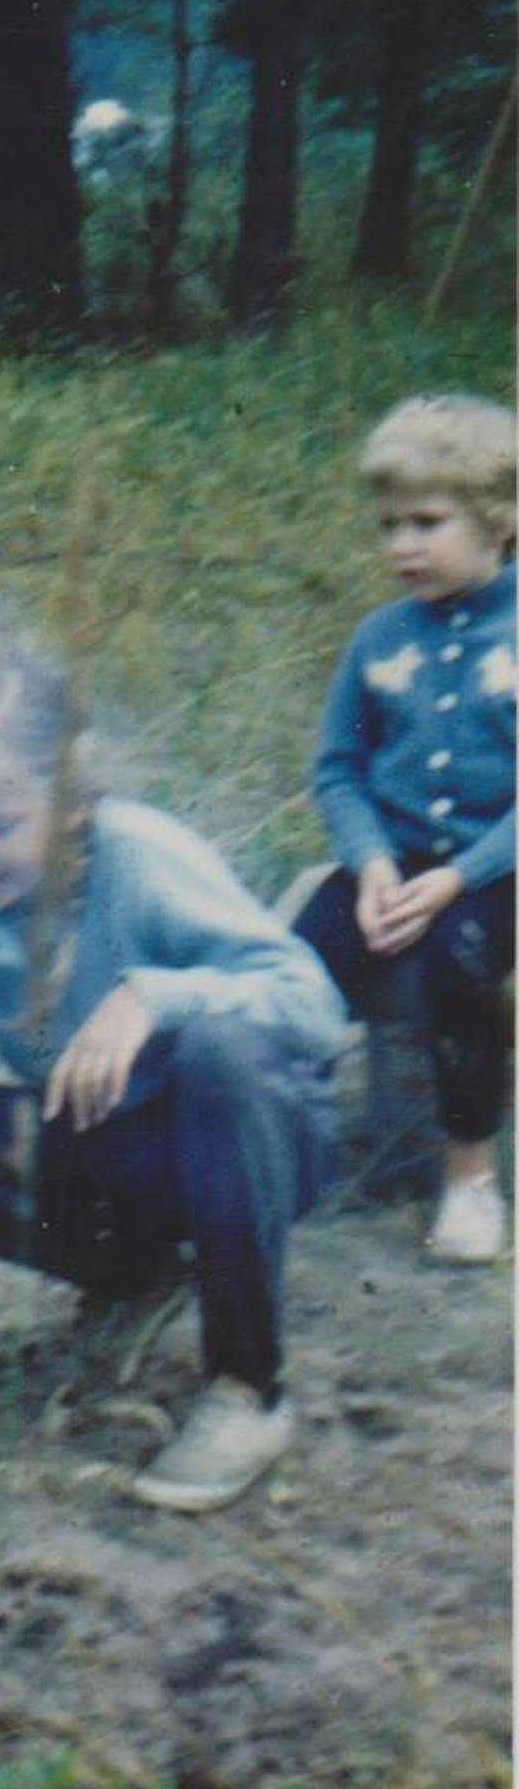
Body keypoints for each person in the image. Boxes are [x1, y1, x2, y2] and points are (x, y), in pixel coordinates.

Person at [0, 659, 346, 1513]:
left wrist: (155, 994)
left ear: (74, 804)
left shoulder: (139, 856)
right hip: (115, 1141)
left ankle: (249, 1388)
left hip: (252, 1135)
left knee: (218, 1051)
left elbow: (312, 1002)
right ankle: (138, 1274)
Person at [290, 393, 515, 1265]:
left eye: (426, 522)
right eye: (388, 524)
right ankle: (279, 1144)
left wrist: (462, 876)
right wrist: (372, 862)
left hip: (498, 872)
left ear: (500, 519)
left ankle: (469, 1174)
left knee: (460, 964)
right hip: (397, 862)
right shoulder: (379, 637)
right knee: (298, 954)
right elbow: (338, 769)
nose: (401, 547)